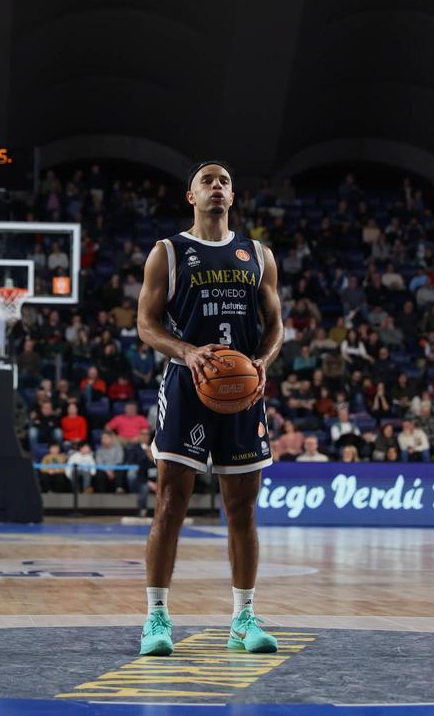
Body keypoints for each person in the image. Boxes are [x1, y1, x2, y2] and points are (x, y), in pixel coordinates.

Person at [136, 160, 283, 656]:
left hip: (243, 392)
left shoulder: (257, 254)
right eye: (207, 181)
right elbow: (146, 323)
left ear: (233, 195)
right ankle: (156, 617)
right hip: (186, 387)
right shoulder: (168, 252)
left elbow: (276, 323)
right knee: (170, 504)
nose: (217, 186)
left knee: (242, 509)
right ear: (191, 196)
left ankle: (243, 617)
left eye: (224, 181)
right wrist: (187, 351)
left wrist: (261, 361)